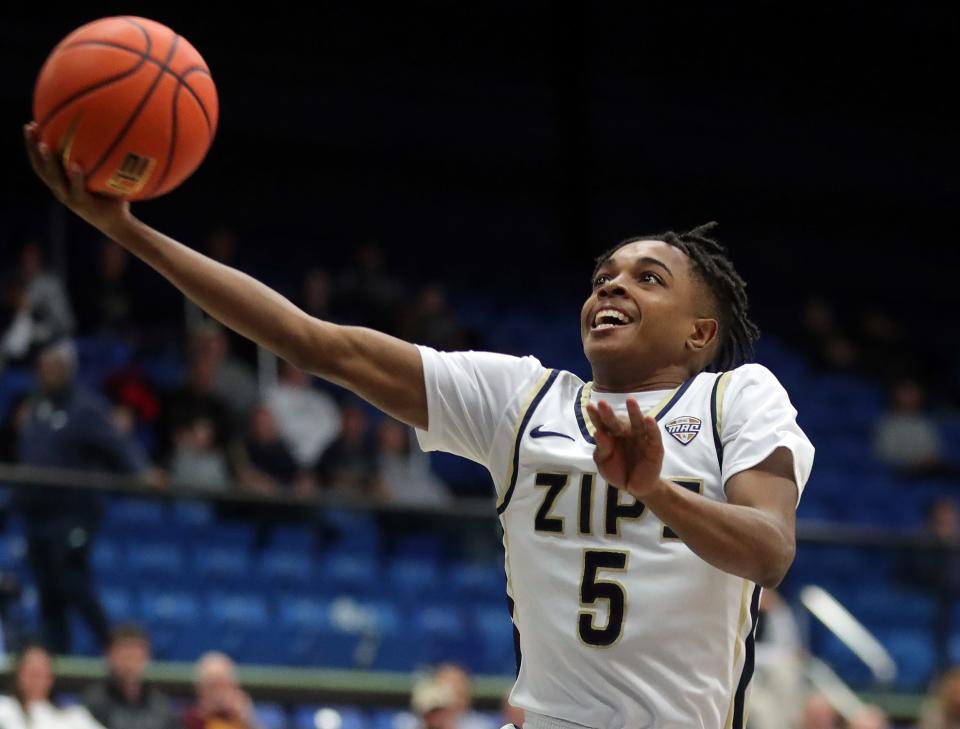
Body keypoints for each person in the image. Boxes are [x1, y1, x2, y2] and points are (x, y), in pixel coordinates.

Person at [23, 124, 815, 729]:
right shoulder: (522, 400)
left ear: (698, 335)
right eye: (603, 275)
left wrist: (656, 490)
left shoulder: (736, 399)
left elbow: (769, 550)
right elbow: (315, 341)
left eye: (648, 277)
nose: (613, 286)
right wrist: (126, 229)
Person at [15, 340, 156, 653]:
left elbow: (116, 443)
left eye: (53, 366)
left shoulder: (85, 407)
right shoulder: (35, 405)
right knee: (49, 591)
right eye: (42, 366)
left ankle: (111, 645)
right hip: (38, 513)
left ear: (67, 369)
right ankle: (58, 660)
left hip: (73, 511)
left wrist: (141, 471)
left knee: (72, 580)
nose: (46, 372)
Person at [82, 624, 178, 729]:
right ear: (108, 655)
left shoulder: (160, 705)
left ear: (147, 657)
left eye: (135, 656)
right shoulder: (94, 702)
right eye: (124, 657)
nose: (130, 665)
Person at [0, 643, 106, 729]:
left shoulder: (73, 715)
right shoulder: (4, 707)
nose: (35, 679)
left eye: (41, 672)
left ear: (50, 677)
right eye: (30, 672)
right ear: (18, 674)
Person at [182, 652, 255, 729]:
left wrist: (247, 719)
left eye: (223, 685)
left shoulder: (241, 715)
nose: (218, 693)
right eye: (212, 686)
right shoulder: (191, 719)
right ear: (200, 688)